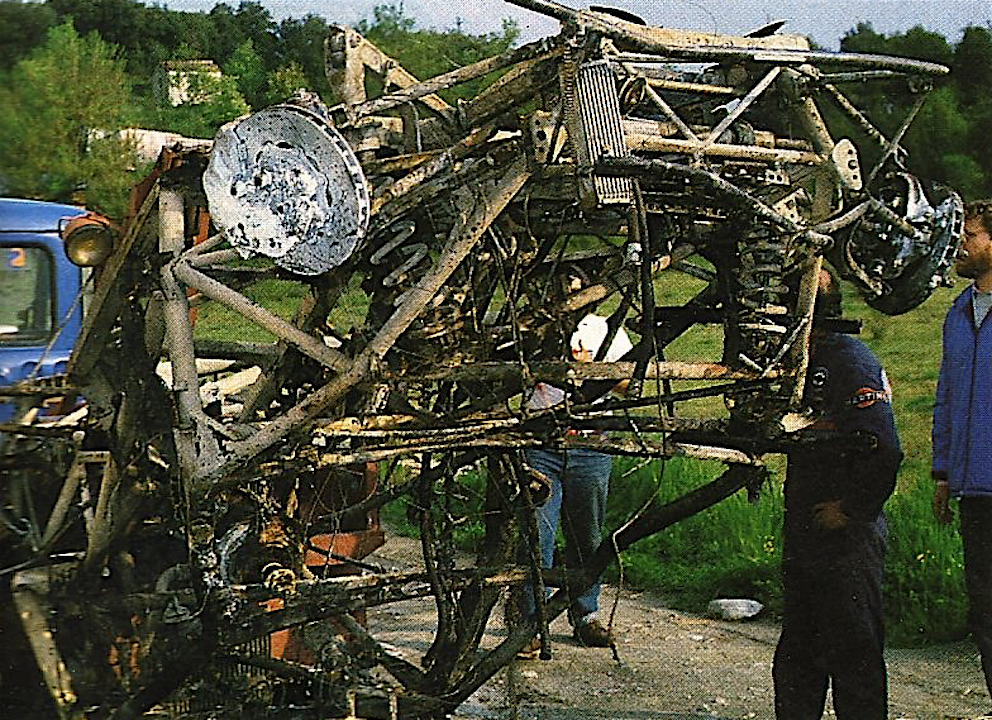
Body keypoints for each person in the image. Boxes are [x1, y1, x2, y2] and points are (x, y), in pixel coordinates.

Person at [773, 267, 902, 720]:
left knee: (854, 653)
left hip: (845, 537)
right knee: (799, 654)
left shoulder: (848, 360)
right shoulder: (807, 360)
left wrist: (851, 510)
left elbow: (886, 449)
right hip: (807, 527)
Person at [519, 313, 632, 656]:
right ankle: (530, 624)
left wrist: (591, 370)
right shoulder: (535, 323)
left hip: (591, 445)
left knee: (587, 534)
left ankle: (586, 615)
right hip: (541, 446)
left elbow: (629, 383)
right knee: (538, 533)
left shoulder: (606, 329)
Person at [931, 198, 992, 704]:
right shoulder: (957, 313)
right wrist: (942, 474)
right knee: (986, 609)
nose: (960, 246)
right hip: (974, 490)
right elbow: (947, 396)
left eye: (969, 236)